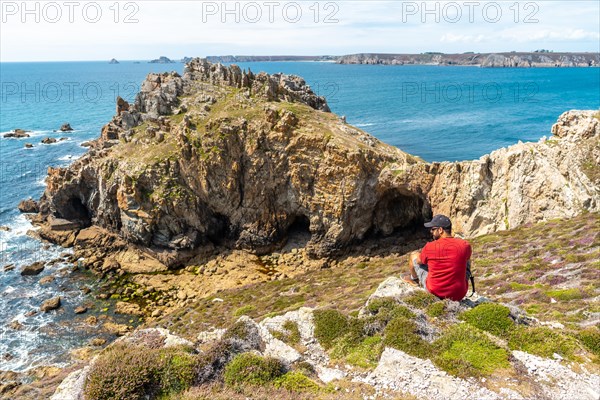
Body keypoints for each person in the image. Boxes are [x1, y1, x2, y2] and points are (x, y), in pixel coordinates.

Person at [405, 214, 472, 301]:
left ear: (440, 230)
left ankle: (414, 279)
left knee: (414, 255)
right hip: (459, 294)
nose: (431, 232)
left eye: (433, 229)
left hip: (436, 293)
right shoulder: (465, 245)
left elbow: (418, 262)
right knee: (466, 259)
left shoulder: (430, 246)